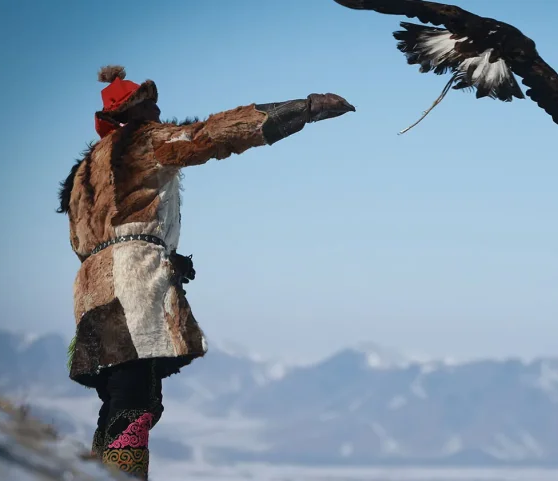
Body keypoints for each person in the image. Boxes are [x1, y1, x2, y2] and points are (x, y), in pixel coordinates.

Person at [56, 65, 355, 479]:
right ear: (138, 112)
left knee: (119, 398)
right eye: (151, 105)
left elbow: (86, 241)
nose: (160, 112)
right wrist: (302, 109)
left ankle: (94, 473)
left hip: (91, 293)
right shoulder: (142, 142)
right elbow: (210, 136)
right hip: (132, 284)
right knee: (135, 404)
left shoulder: (82, 173)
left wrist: (153, 250)